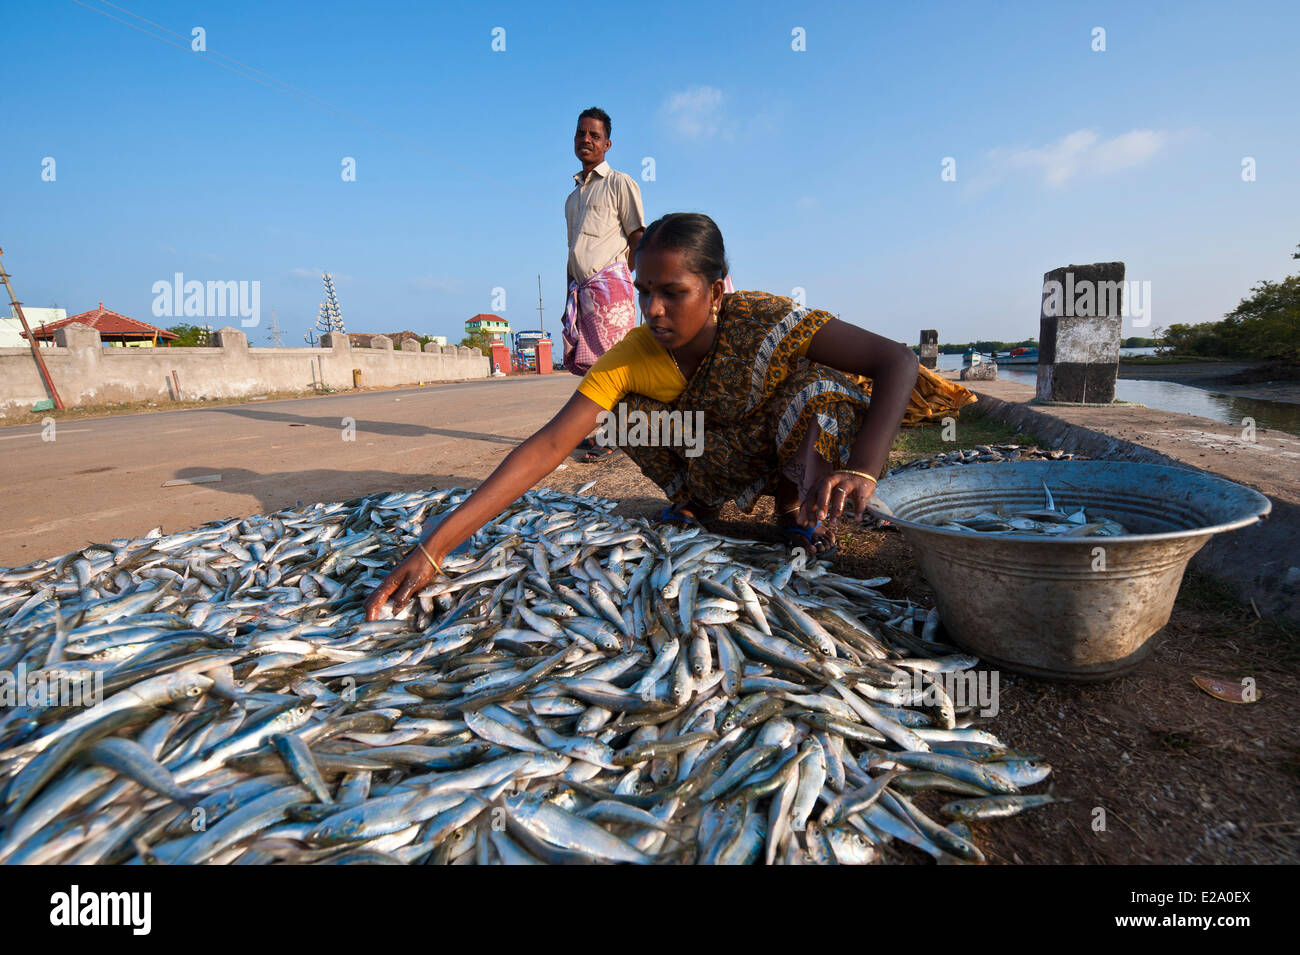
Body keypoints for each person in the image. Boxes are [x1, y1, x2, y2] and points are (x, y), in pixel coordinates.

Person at [365, 212, 918, 621]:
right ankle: (695, 498)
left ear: (717, 290)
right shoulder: (631, 354)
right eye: (645, 291)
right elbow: (549, 446)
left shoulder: (763, 316)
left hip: (769, 443)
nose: (653, 309)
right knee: (617, 412)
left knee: (819, 387)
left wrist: (865, 469)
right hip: (706, 454)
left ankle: (797, 507)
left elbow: (897, 360)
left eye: (673, 293)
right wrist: (433, 548)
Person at [563, 107, 646, 462]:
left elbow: (637, 235)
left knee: (615, 364)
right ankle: (605, 430)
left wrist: (629, 280)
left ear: (607, 143)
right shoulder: (571, 198)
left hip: (611, 288)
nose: (587, 140)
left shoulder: (619, 183)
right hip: (582, 291)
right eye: (582, 133)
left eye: (595, 135)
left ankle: (616, 436)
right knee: (596, 366)